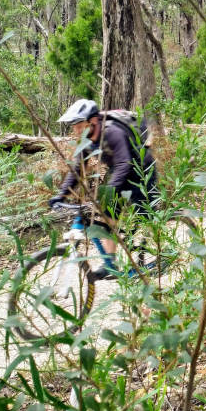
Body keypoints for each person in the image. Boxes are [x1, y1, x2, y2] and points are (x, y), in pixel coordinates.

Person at [49, 98, 158, 279]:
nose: (75, 130)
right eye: (73, 126)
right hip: (121, 172)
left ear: (92, 122)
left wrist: (108, 191)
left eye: (78, 125)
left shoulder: (112, 132)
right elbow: (78, 168)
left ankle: (162, 252)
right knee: (108, 217)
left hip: (142, 171)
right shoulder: (87, 140)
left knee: (146, 217)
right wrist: (61, 195)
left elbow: (125, 162)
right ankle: (110, 264)